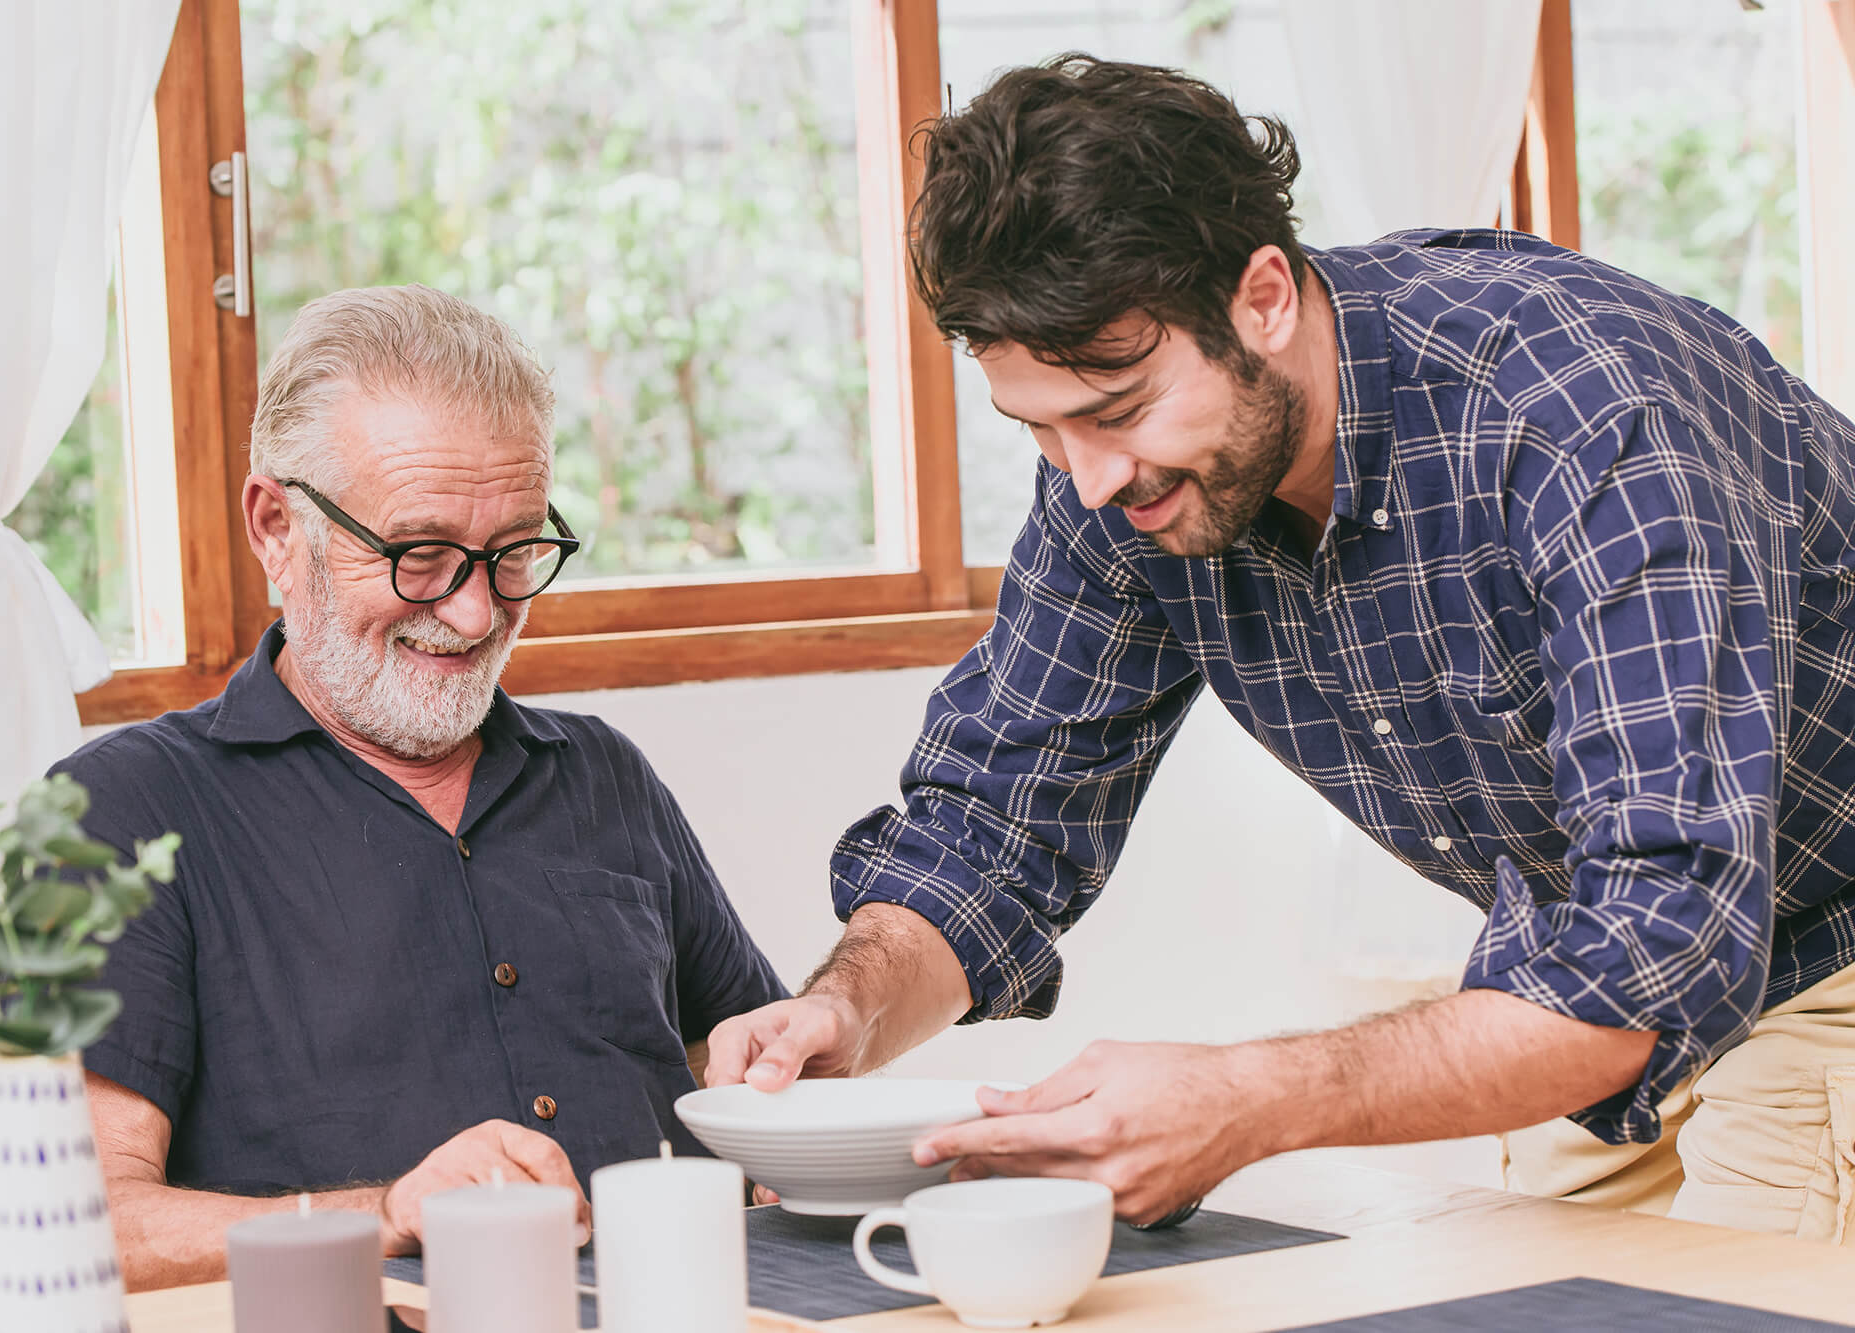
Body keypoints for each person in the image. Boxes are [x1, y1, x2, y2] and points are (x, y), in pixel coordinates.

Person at [706, 56, 1855, 1245]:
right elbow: (992, 829)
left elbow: (1662, 941)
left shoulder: (1577, 413)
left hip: (1820, 940)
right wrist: (846, 1007)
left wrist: (1244, 1100)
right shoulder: (1119, 487)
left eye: (1115, 411)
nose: (1089, 478)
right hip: (1583, 960)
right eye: (1038, 430)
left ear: (1261, 298)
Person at [0, 284, 788, 1289]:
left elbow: (755, 1087)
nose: (475, 610)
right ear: (275, 526)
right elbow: (68, 1225)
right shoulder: (109, 818)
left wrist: (800, 1119)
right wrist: (390, 1213)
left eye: (514, 551)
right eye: (420, 554)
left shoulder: (603, 775)